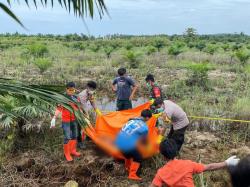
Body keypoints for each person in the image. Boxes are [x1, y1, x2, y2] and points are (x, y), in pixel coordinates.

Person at [150, 139, 240, 187]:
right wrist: (227, 163)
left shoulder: (161, 173)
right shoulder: (188, 164)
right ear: (176, 151)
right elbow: (209, 167)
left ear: (163, 155)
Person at [115, 109, 152, 180]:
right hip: (126, 146)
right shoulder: (144, 127)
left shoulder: (132, 120)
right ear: (147, 118)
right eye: (149, 118)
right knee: (138, 157)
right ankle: (132, 174)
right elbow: (144, 141)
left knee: (129, 152)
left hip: (117, 143)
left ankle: (127, 167)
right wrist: (148, 146)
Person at [50, 82, 81, 162]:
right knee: (67, 137)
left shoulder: (76, 97)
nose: (72, 91)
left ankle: (73, 151)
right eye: (70, 90)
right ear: (66, 89)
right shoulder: (63, 98)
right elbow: (58, 109)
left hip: (74, 119)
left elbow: (78, 107)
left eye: (73, 90)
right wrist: (54, 118)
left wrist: (81, 116)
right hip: (66, 120)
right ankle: (67, 154)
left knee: (75, 135)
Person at [77, 81, 100, 149]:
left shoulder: (90, 93)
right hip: (77, 111)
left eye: (93, 89)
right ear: (88, 87)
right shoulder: (82, 95)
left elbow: (92, 101)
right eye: (91, 89)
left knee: (88, 123)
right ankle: (79, 142)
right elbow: (82, 106)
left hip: (83, 110)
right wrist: (86, 114)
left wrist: (96, 110)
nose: (92, 91)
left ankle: (88, 136)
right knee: (79, 126)